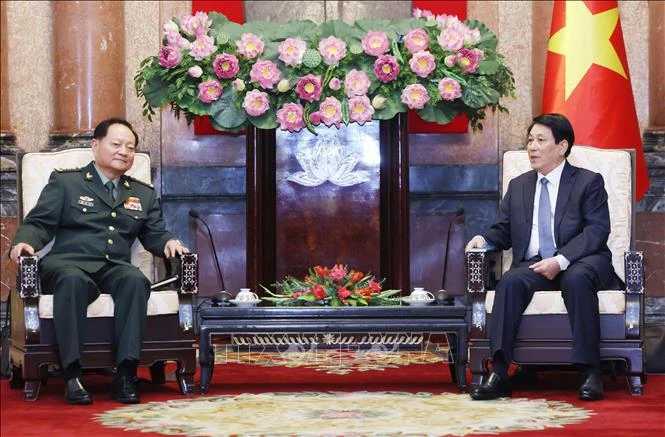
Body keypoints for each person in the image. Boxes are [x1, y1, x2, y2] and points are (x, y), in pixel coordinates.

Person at [9, 118, 189, 405]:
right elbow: (40, 223)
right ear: (96, 145)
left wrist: (167, 242)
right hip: (68, 262)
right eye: (116, 144)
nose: (124, 152)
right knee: (73, 280)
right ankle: (72, 375)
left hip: (113, 266)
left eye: (130, 147)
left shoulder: (142, 193)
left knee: (135, 280)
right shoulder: (66, 182)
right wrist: (24, 242)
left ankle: (126, 373)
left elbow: (153, 233)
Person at [465, 113, 622, 401]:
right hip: (536, 264)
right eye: (529, 140)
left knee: (575, 279)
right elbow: (503, 230)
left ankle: (589, 372)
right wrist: (484, 240)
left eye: (540, 140)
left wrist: (561, 260)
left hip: (582, 261)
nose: (532, 147)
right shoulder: (520, 185)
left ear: (562, 147)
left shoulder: (588, 182)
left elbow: (597, 231)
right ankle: (499, 373)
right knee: (509, 282)